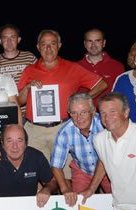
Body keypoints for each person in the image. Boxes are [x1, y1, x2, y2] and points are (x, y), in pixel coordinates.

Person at [17, 29, 107, 177]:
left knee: (66, 177)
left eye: (52, 44)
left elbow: (102, 84)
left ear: (59, 45)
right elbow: (19, 101)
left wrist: (80, 101)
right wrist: (28, 87)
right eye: (44, 44)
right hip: (35, 131)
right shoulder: (29, 70)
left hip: (63, 128)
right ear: (38, 47)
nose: (48, 48)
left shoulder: (72, 68)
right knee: (37, 177)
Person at [50, 93, 111, 207]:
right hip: (82, 170)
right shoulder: (65, 132)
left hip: (108, 168)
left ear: (93, 112)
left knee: (118, 201)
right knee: (78, 205)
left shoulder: (105, 125)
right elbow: (56, 165)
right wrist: (65, 190)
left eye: (83, 112)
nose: (79, 118)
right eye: (74, 113)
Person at [76, 28, 124, 106]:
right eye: (90, 41)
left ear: (104, 43)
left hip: (109, 115)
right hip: (83, 115)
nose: (93, 45)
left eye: (97, 41)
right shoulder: (75, 67)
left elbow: (122, 95)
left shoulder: (117, 66)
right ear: (85, 44)